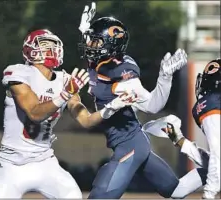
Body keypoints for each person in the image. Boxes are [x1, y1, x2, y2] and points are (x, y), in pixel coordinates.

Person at [77, 3, 208, 199]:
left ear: (111, 46)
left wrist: (165, 77)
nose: (91, 46)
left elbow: (152, 106)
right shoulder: (98, 61)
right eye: (91, 41)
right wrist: (84, 29)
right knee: (175, 190)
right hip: (130, 141)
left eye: (97, 42)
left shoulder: (123, 77)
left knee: (101, 196)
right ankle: (213, 169)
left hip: (130, 144)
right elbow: (90, 43)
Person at [0, 29, 136, 198]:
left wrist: (113, 106)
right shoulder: (19, 73)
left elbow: (86, 120)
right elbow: (34, 113)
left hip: (45, 162)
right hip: (12, 165)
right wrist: (64, 94)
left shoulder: (64, 80)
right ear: (30, 50)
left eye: (54, 45)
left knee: (73, 196)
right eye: (45, 44)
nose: (51, 48)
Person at [158, 58, 220, 199]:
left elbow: (217, 154)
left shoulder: (212, 102)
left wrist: (209, 194)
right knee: (177, 191)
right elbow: (215, 161)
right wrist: (180, 141)